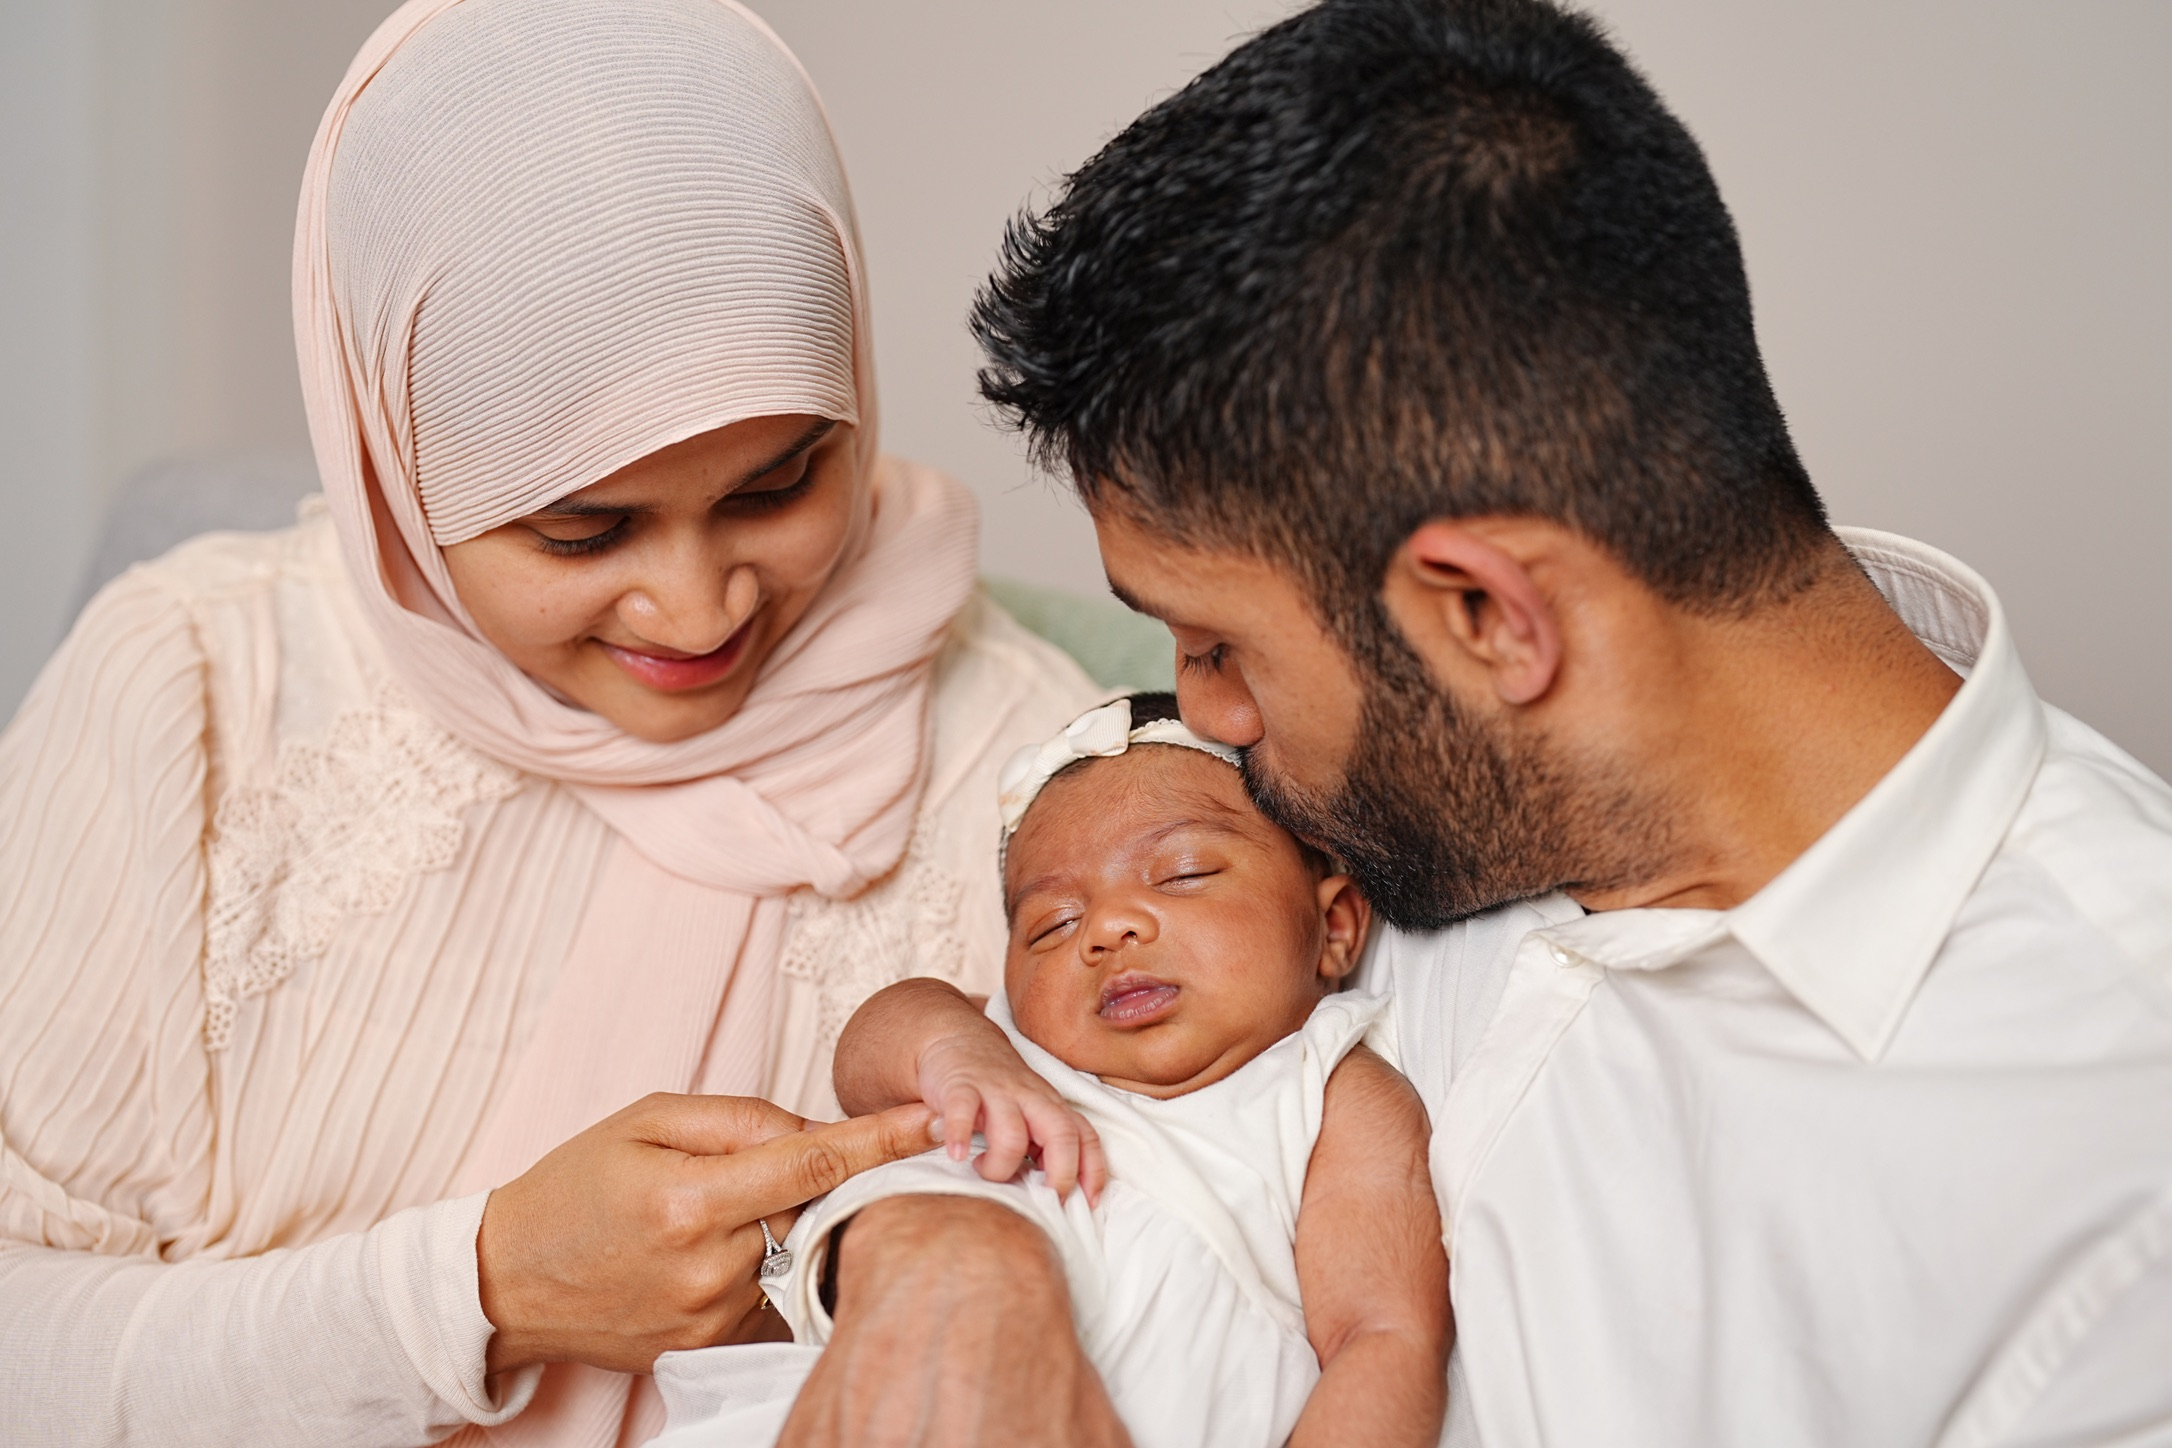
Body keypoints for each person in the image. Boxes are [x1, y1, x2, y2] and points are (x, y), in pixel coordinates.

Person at [776, 0, 2172, 1444]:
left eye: (1216, 645)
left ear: (1494, 619)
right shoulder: (1410, 820)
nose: (1198, 711)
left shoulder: (2109, 1200)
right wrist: (958, 1253)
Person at [0, 1, 1098, 1444]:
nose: (700, 611)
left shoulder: (1046, 774)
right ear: (398, 460)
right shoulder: (192, 689)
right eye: (584, 534)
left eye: (777, 486)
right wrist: (479, 1287)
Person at [647, 692, 1448, 1448]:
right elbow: (873, 1046)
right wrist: (957, 1050)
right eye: (1052, 925)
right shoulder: (1008, 1054)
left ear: (1335, 926)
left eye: (1184, 874)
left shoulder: (1329, 1087)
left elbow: (1380, 1335)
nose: (1106, 929)